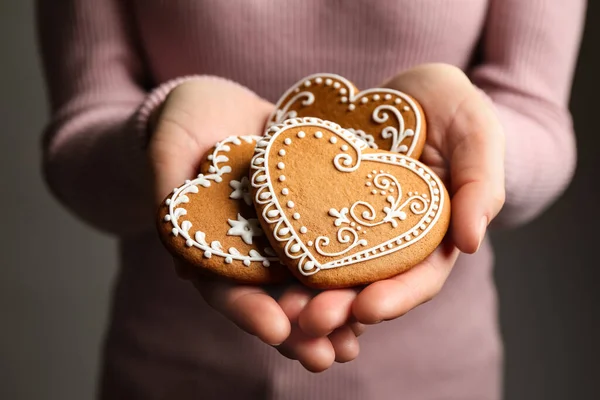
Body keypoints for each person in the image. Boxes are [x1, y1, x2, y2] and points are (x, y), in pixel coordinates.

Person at [36, 0, 585, 399]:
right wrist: (154, 132)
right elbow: (76, 141)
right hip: (170, 369)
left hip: (433, 378)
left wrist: (478, 151)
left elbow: (538, 115)